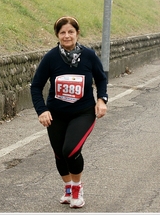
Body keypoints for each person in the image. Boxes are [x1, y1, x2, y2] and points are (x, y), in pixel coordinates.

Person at [30, 16, 108, 208]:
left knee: (70, 150)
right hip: (56, 114)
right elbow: (36, 86)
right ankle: (67, 188)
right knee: (59, 154)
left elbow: (101, 79)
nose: (67, 36)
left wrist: (101, 99)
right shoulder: (51, 58)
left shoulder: (89, 56)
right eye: (62, 32)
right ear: (57, 35)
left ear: (77, 33)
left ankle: (77, 188)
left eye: (70, 32)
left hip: (83, 112)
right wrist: (42, 110)